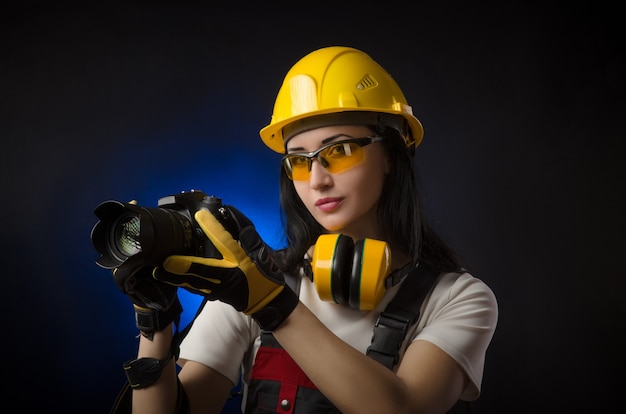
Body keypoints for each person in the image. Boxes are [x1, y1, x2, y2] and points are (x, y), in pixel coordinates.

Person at [110, 45, 498, 414]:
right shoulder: (253, 282)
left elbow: (404, 408)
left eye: (341, 151)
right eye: (299, 160)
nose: (317, 180)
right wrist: (154, 329)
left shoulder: (458, 299)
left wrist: (272, 306)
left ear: (392, 155)